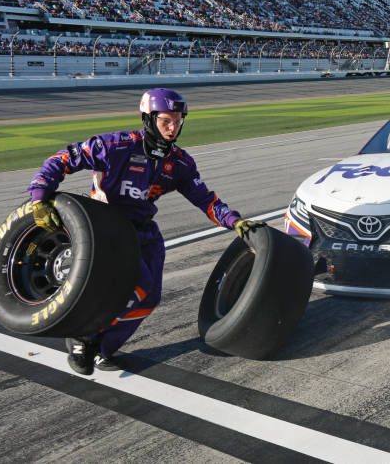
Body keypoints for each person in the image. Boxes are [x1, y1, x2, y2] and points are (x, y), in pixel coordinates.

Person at [27, 88, 263, 375]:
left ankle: (102, 349)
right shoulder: (115, 145)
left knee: (149, 298)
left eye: (178, 121)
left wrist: (234, 221)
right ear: (148, 119)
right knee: (136, 285)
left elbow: (205, 199)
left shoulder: (180, 163)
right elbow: (62, 159)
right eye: (166, 121)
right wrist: (40, 197)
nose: (173, 128)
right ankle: (83, 336)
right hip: (106, 226)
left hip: (143, 231)